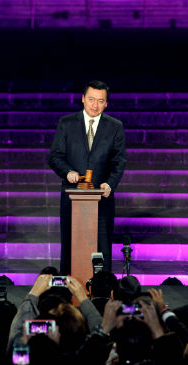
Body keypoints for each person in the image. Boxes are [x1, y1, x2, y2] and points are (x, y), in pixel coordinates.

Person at [48, 80, 126, 274]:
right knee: (70, 242)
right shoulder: (66, 123)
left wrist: (109, 183)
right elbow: (55, 156)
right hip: (72, 197)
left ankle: (101, 291)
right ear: (83, 99)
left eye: (100, 101)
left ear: (106, 103)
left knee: (102, 245)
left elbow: (119, 161)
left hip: (102, 198)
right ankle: (67, 288)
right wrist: (68, 172)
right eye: (91, 99)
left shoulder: (115, 126)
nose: (95, 105)